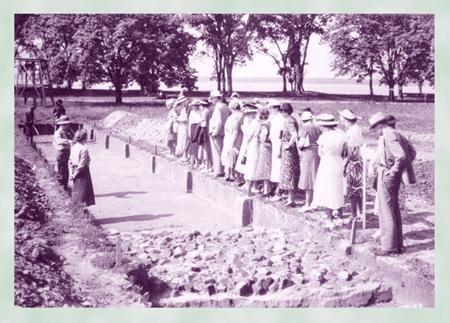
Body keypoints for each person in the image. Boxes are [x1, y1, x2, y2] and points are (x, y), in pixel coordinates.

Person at [369, 112, 414, 256]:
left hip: (387, 175)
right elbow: (412, 153)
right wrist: (400, 170)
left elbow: (400, 156)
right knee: (394, 210)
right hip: (391, 175)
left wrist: (393, 171)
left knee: (386, 211)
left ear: (381, 125)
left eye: (376, 128)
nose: (376, 131)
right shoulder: (397, 133)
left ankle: (388, 247)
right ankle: (397, 245)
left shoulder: (388, 135)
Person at [311, 113, 346, 219]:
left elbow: (320, 153)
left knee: (327, 187)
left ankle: (329, 217)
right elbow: (345, 151)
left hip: (327, 162)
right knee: (337, 187)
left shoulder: (324, 137)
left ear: (324, 126)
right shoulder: (341, 134)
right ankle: (339, 214)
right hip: (338, 161)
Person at [340, 109, 364, 220]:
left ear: (347, 120)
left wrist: (344, 164)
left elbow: (349, 150)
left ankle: (354, 214)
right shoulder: (357, 129)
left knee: (352, 189)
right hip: (359, 160)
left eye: (343, 120)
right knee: (358, 188)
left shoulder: (351, 132)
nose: (342, 122)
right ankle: (361, 212)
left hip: (353, 161)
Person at [297, 111, 322, 212]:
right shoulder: (318, 128)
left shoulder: (304, 128)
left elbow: (301, 143)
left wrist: (298, 145)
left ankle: (308, 203)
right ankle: (314, 202)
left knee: (308, 178)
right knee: (315, 176)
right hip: (317, 152)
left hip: (308, 153)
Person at [278, 103, 300, 207]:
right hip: (288, 149)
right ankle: (289, 198)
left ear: (284, 111)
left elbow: (294, 134)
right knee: (288, 173)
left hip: (289, 150)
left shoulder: (289, 121)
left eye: (282, 111)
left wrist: (289, 144)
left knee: (289, 173)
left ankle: (291, 199)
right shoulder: (291, 119)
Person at [70, 129, 95, 208]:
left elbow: (70, 161)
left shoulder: (74, 147)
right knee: (83, 191)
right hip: (82, 172)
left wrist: (72, 173)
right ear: (85, 138)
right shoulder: (84, 149)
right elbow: (82, 164)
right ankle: (81, 209)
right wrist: (75, 174)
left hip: (74, 169)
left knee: (76, 190)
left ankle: (76, 207)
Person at [208, 90, 230, 177]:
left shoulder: (218, 107)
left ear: (216, 98)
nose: (211, 100)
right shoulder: (225, 106)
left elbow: (219, 122)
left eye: (212, 98)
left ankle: (219, 171)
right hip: (224, 131)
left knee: (217, 152)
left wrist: (214, 132)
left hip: (217, 132)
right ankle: (223, 170)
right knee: (222, 150)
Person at [221, 100, 244, 181]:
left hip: (233, 138)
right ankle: (230, 173)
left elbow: (235, 131)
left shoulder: (236, 117)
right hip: (231, 136)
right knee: (231, 155)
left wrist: (231, 143)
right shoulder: (237, 116)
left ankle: (232, 174)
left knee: (232, 154)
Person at [267, 99, 285, 201]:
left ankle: (279, 191)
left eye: (270, 108)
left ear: (275, 108)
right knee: (275, 168)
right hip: (275, 144)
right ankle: (276, 189)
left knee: (278, 168)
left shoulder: (279, 118)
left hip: (278, 144)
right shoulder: (275, 118)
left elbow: (281, 134)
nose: (269, 110)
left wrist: (279, 148)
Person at [242, 104, 261, 196]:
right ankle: (250, 187)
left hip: (253, 145)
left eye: (249, 114)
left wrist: (244, 129)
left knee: (252, 166)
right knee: (250, 166)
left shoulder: (254, 123)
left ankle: (250, 188)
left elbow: (248, 136)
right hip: (252, 145)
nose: (247, 116)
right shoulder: (254, 122)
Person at [254, 108, 272, 197]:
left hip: (264, 147)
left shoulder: (264, 124)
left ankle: (266, 190)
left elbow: (264, 134)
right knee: (267, 167)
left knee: (265, 168)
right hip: (268, 147)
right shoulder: (270, 122)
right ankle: (267, 188)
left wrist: (261, 140)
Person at [53, 115, 74, 190]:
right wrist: (69, 141)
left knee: (65, 169)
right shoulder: (58, 132)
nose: (68, 126)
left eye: (68, 124)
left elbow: (73, 137)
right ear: (62, 125)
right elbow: (59, 141)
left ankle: (65, 185)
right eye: (66, 124)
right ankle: (62, 185)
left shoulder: (67, 131)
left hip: (67, 151)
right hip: (61, 152)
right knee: (62, 169)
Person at [197, 100, 213, 172]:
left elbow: (204, 123)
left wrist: (200, 123)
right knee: (207, 148)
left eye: (200, 105)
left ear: (202, 105)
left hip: (205, 130)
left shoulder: (205, 112)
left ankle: (207, 166)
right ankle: (208, 166)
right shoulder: (209, 111)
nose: (199, 107)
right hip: (208, 130)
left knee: (206, 149)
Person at [188, 100, 203, 168]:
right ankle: (192, 161)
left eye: (195, 105)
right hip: (192, 127)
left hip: (198, 127)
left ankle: (197, 161)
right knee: (192, 144)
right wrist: (189, 131)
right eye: (193, 106)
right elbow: (190, 122)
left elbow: (201, 120)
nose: (194, 107)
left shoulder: (200, 112)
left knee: (197, 144)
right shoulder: (191, 112)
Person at [174, 95, 189, 160]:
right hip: (181, 125)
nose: (182, 104)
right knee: (181, 139)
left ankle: (185, 155)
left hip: (184, 125)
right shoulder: (183, 108)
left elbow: (187, 119)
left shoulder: (187, 108)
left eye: (182, 102)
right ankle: (183, 154)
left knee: (184, 139)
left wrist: (179, 120)